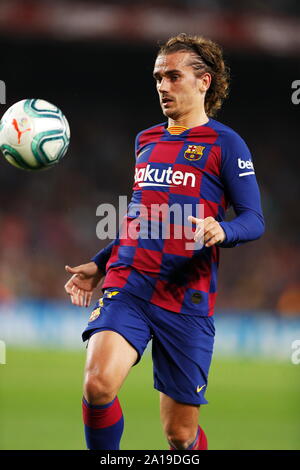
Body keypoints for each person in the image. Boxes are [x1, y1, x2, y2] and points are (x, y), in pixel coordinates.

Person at [64, 33, 264, 450]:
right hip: (129, 285)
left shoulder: (226, 144)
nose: (162, 86)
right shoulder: (147, 140)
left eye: (173, 76)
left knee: (180, 435)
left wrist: (223, 230)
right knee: (98, 385)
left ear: (203, 82)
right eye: (158, 77)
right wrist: (101, 263)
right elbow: (141, 217)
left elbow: (253, 219)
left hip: (185, 297)